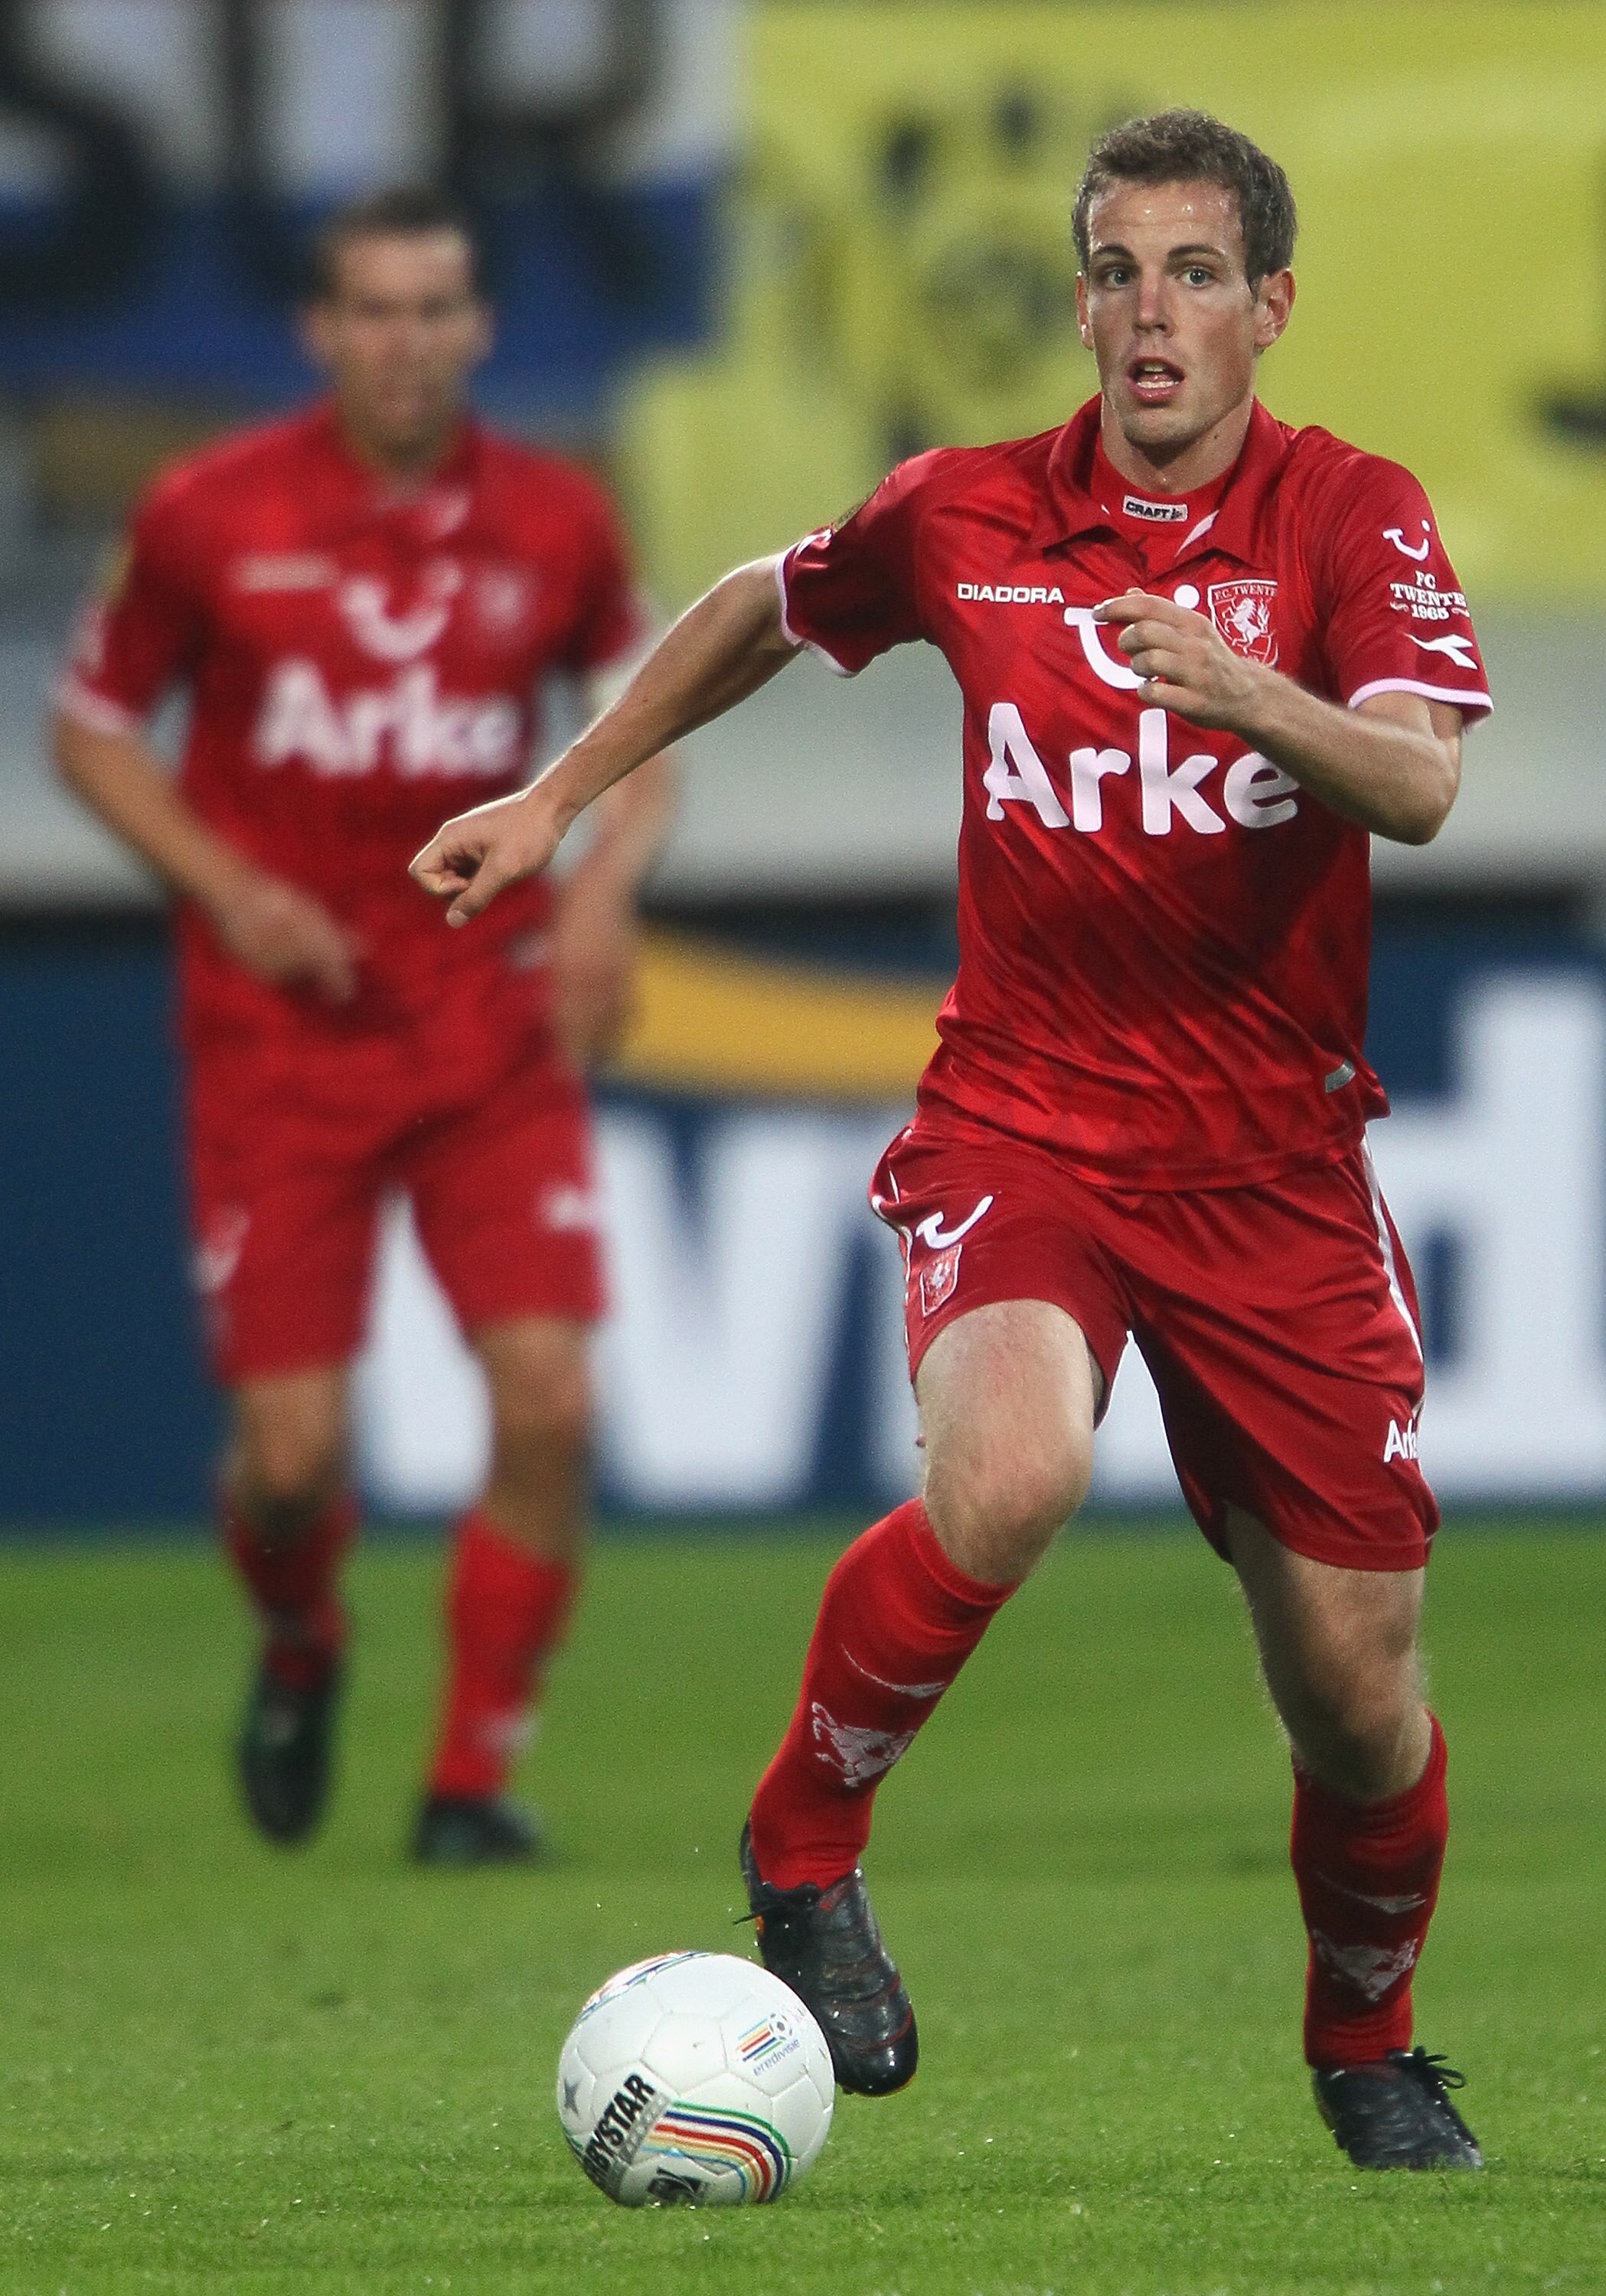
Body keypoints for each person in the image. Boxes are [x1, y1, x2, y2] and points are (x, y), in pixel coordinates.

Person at [410, 112, 1490, 2162]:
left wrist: (1254, 694)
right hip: (1027, 1120)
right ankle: (801, 1841)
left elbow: (1421, 785)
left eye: (1194, 273)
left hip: (1270, 1173)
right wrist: (557, 800)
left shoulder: (1352, 512)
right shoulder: (973, 515)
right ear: (1073, 298)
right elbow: (761, 599)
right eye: (1115, 270)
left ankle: (1367, 2042)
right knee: (1006, 1472)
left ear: (1269, 306)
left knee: (1357, 1699)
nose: (1150, 313)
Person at [53, 188, 672, 1865]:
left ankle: (473, 1780)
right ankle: (300, 1633)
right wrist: (222, 884)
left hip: (487, 1021)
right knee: (289, 1457)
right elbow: (94, 728)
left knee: (548, 1402)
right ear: (320, 332)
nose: (407, 343)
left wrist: (605, 897)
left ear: (477, 328)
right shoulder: (207, 514)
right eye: (374, 312)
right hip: (280, 1032)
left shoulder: (555, 519)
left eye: (437, 309)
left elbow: (646, 730)